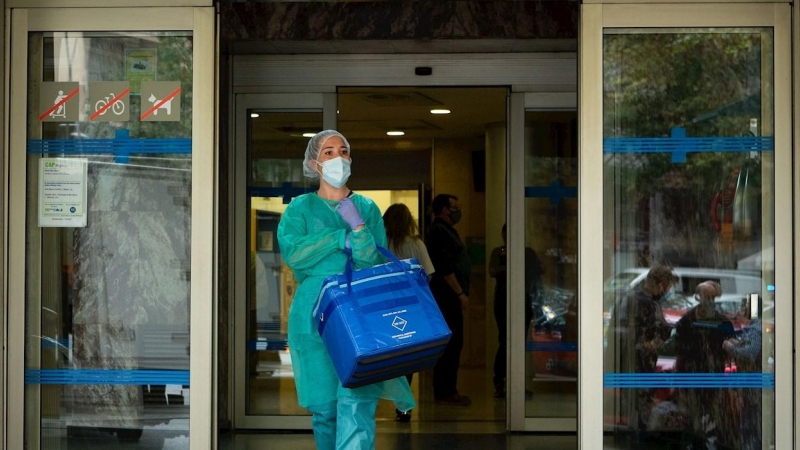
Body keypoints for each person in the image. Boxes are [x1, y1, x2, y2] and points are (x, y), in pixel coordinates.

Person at [277, 130, 415, 450]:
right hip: (315, 316)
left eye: (344, 151)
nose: (338, 157)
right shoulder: (300, 208)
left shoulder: (365, 207)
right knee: (325, 409)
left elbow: (371, 261)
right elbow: (295, 254)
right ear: (314, 162)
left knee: (357, 402)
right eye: (328, 152)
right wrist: (340, 240)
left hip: (360, 310)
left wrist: (358, 228)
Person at [604, 264, 676, 446]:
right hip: (641, 366)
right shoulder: (646, 303)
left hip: (630, 364)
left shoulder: (628, 298)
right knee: (641, 413)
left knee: (632, 410)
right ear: (660, 283)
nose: (667, 290)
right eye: (667, 286)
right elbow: (653, 334)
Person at [382, 202, 435, 422]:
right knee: (408, 356)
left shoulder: (381, 244)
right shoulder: (417, 245)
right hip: (412, 307)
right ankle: (403, 407)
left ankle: (386, 398)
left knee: (388, 355)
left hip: (384, 306)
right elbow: (428, 276)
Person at [674, 281, 738, 449]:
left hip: (714, 381)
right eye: (706, 297)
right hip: (691, 380)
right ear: (698, 297)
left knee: (714, 420)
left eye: (713, 297)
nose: (710, 300)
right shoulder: (686, 322)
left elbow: (731, 351)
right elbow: (679, 351)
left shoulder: (722, 322)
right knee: (693, 420)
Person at [425, 193, 472, 406]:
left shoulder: (447, 231)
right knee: (451, 344)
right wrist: (460, 293)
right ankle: (445, 390)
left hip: (450, 297)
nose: (458, 210)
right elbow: (444, 267)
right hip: (446, 297)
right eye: (455, 206)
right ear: (445, 209)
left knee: (455, 343)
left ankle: (447, 389)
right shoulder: (438, 232)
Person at [488, 223, 544, 398]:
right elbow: (493, 271)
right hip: (504, 300)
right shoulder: (499, 252)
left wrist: (538, 302)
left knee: (518, 342)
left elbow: (537, 274)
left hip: (523, 300)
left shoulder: (528, 253)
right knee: (505, 340)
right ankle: (500, 382)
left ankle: (516, 383)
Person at [723, 297, 763, 450]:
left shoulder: (755, 330)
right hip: (754, 385)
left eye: (742, 308)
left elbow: (750, 353)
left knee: (751, 426)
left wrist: (730, 347)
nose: (738, 312)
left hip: (754, 386)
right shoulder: (755, 328)